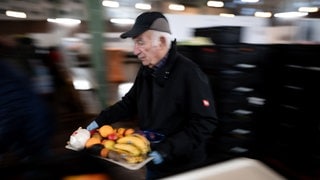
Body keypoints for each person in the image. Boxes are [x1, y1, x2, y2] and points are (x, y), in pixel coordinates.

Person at [86, 11, 218, 179]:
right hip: (152, 160)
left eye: (140, 42)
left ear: (161, 42)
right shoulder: (147, 70)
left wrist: (166, 149)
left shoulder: (189, 74)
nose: (135, 51)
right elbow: (130, 103)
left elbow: (205, 122)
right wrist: (100, 120)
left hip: (183, 167)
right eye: (135, 43)